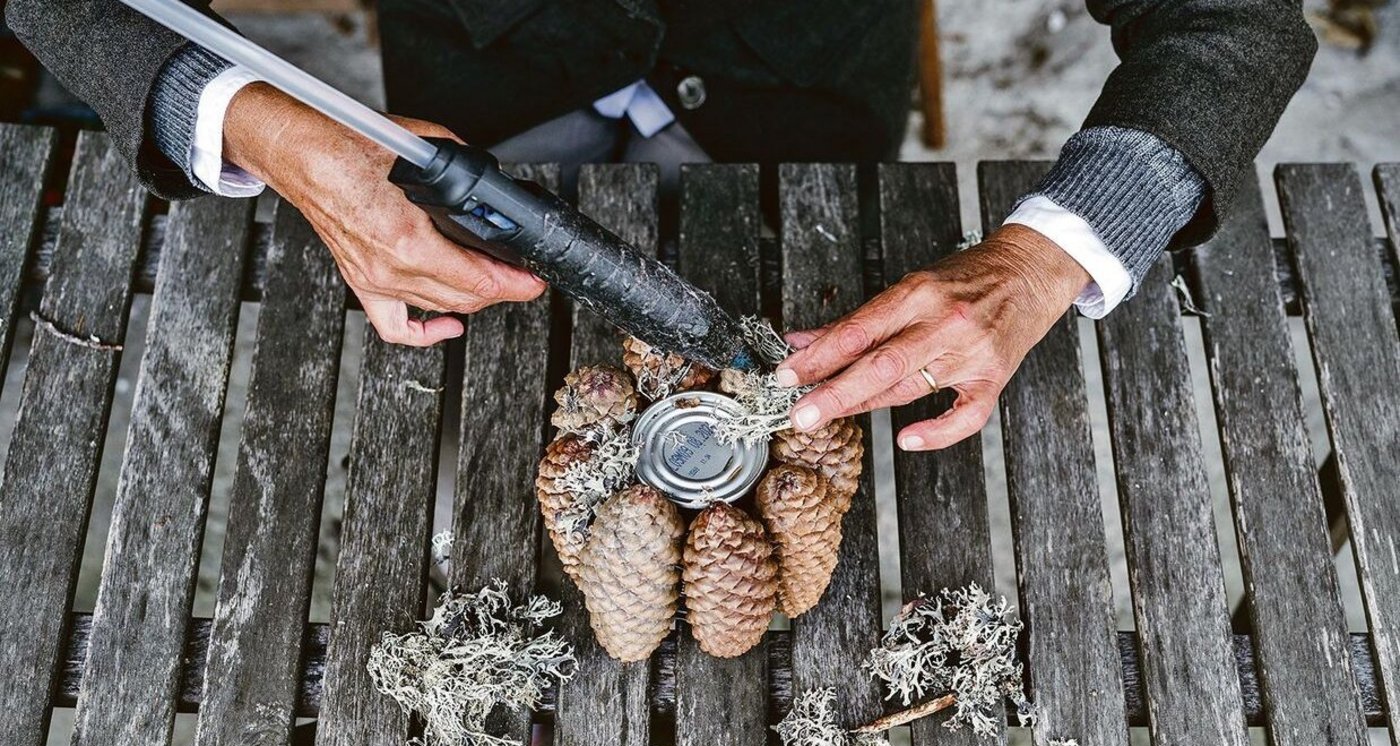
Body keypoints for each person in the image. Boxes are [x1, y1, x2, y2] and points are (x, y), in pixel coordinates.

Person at [7, 1, 1316, 451]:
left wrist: (1054, 250)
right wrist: (263, 126)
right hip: (477, 108)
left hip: (813, 118)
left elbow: (1231, 21)